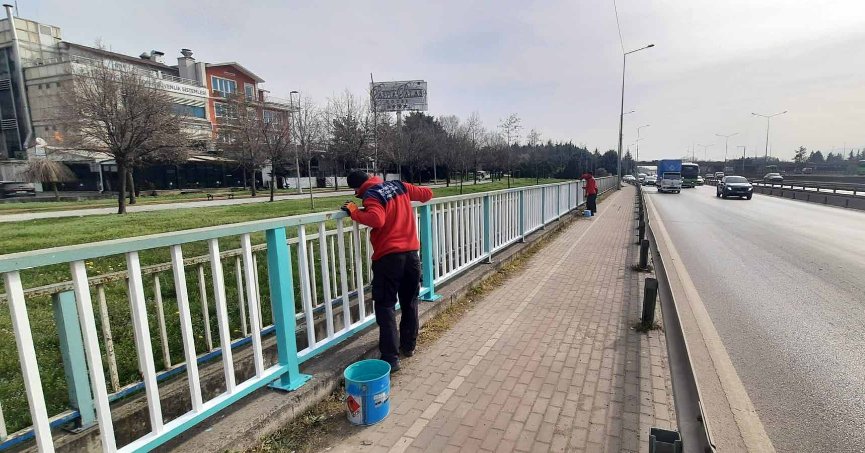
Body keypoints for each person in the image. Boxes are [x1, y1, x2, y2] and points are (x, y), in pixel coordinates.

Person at [341, 171, 433, 372]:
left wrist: (355, 212)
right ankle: (408, 346)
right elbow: (427, 194)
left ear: (357, 189)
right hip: (411, 256)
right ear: (371, 176)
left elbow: (377, 219)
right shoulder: (399, 186)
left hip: (388, 259)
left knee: (386, 306)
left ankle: (390, 358)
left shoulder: (372, 195)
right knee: (409, 302)